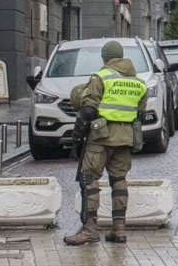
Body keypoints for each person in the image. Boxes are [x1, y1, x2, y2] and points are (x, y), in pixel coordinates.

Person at [63, 40, 148, 246]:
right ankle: (119, 229)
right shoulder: (138, 82)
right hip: (126, 137)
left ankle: (90, 230)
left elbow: (88, 110)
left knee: (89, 179)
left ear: (105, 58)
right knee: (119, 180)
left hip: (100, 137)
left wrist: (77, 137)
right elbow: (140, 114)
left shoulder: (100, 77)